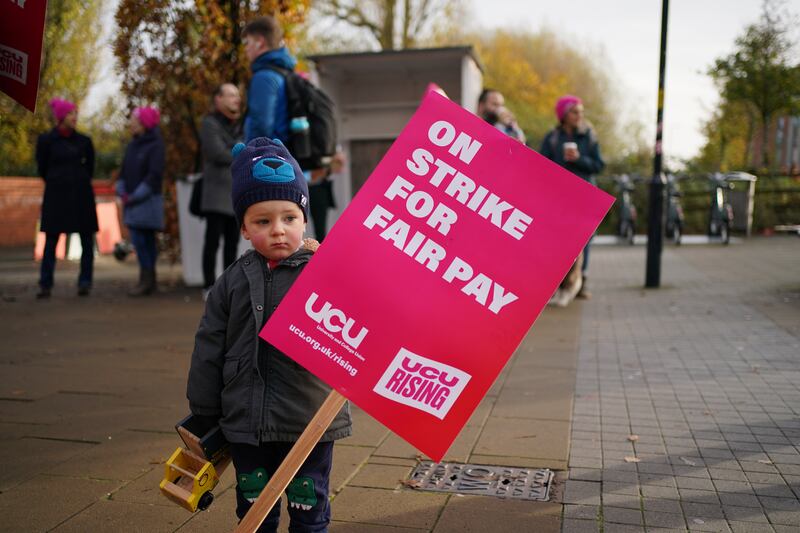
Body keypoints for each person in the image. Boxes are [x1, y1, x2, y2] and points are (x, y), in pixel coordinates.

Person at [187, 137, 351, 533]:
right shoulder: (231, 281)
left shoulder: (326, 273)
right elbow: (209, 343)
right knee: (254, 511)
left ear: (305, 220)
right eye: (263, 221)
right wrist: (205, 409)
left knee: (309, 510)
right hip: (246, 421)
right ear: (244, 227)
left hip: (307, 419)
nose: (278, 231)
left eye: (289, 218)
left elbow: (362, 318)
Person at [540, 94, 605, 298]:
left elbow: (599, 165)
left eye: (581, 112)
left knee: (584, 240)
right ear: (564, 114)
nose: (579, 116)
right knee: (559, 242)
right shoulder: (552, 138)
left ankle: (580, 281)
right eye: (575, 111)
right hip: (559, 198)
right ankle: (558, 283)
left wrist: (579, 160)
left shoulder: (589, 136)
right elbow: (541, 167)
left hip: (584, 197)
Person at [35, 98, 98, 299]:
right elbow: (42, 168)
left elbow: (90, 168)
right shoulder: (46, 140)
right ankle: (45, 283)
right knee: (51, 240)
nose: (75, 117)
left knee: (86, 239)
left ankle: (85, 282)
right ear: (62, 116)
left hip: (81, 195)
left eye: (76, 113)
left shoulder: (84, 141)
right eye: (71, 113)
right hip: (56, 196)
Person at [116, 106, 165, 297]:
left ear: (144, 122)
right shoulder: (132, 145)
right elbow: (123, 172)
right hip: (132, 203)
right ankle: (146, 279)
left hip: (148, 201)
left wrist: (135, 195)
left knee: (147, 242)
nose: (131, 123)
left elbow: (154, 175)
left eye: (135, 120)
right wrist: (121, 189)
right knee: (138, 240)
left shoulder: (156, 145)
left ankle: (149, 279)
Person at [199, 83, 243, 296]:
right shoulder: (209, 123)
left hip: (235, 195)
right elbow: (217, 152)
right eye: (231, 95)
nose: (236, 99)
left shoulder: (242, 124)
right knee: (212, 241)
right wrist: (241, 152)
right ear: (218, 99)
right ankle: (208, 286)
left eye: (237, 95)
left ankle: (228, 288)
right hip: (216, 196)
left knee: (232, 244)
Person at [241, 16, 295, 143]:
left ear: (260, 42)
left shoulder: (264, 77)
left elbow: (260, 130)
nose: (246, 48)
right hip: (285, 156)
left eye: (247, 42)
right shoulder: (285, 73)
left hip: (269, 158)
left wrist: (249, 156)